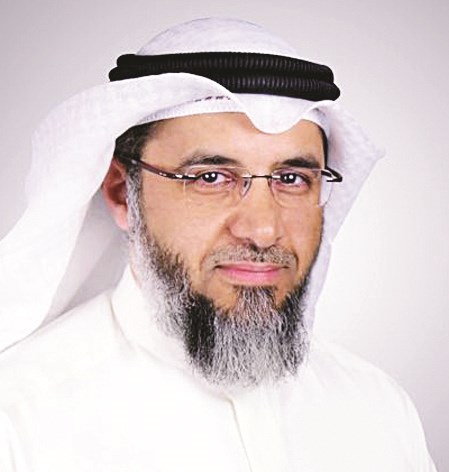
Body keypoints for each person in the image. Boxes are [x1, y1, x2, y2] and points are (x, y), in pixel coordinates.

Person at [0, 18, 437, 471]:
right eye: (211, 177)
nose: (263, 230)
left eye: (291, 179)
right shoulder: (18, 422)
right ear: (121, 193)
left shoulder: (379, 408)